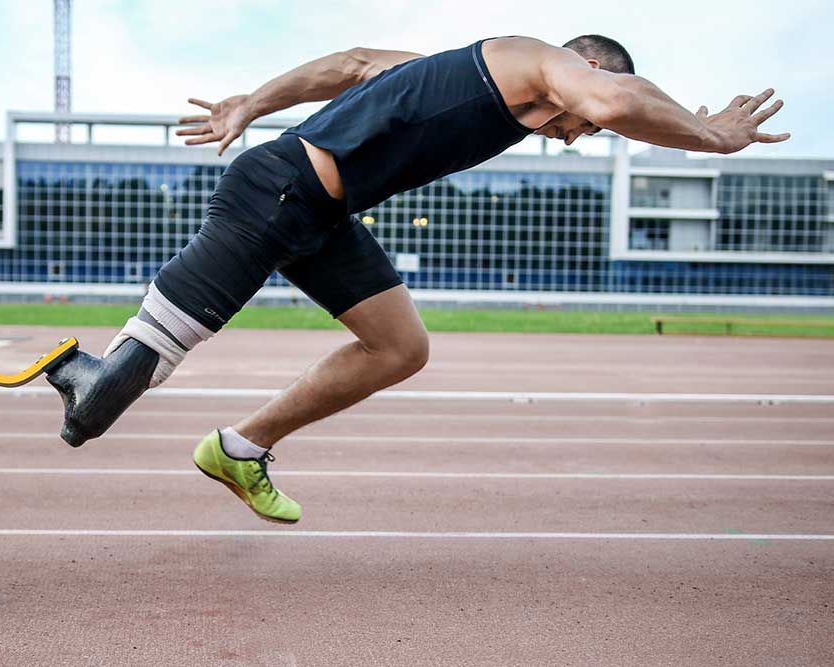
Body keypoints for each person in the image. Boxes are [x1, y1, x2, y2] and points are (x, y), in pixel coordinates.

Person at [47, 34, 789, 523]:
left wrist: (253, 101)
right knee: (105, 398)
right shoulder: (548, 65)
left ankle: (240, 448)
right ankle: (65, 371)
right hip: (277, 192)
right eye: (582, 127)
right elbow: (617, 99)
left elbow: (352, 63)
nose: (577, 136)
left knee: (400, 347)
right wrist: (710, 136)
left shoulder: (479, 74)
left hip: (322, 214)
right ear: (584, 68)